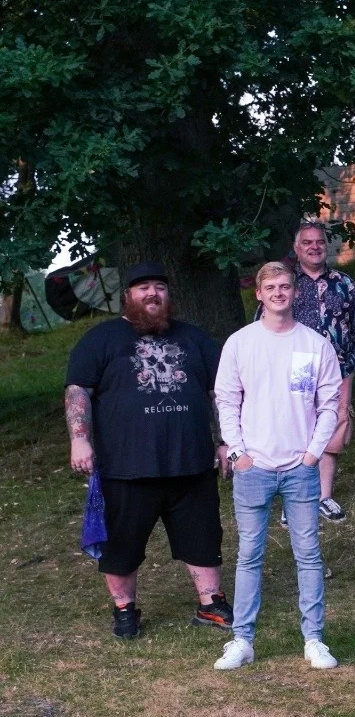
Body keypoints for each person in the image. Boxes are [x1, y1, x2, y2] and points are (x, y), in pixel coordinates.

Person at [65, 262, 232, 638]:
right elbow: (78, 390)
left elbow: (219, 392)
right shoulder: (101, 339)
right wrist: (79, 438)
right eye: (143, 288)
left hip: (190, 462)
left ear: (169, 295)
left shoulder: (194, 338)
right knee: (122, 544)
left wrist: (227, 442)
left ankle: (212, 604)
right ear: (128, 296)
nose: (152, 293)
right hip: (125, 466)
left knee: (203, 536)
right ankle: (125, 610)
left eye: (159, 287)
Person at [213, 262, 343, 671]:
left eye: (285, 286)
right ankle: (242, 640)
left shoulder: (314, 344)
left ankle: (314, 639)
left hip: (300, 468)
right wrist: (237, 455)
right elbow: (226, 401)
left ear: (295, 292)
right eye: (270, 287)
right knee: (249, 554)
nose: (278, 293)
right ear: (259, 293)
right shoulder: (240, 343)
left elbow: (329, 404)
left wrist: (312, 454)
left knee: (308, 553)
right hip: (254, 468)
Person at [269, 220, 355, 522]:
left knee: (334, 427)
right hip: (300, 368)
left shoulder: (344, 283)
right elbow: (265, 325)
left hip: (338, 370)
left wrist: (353, 366)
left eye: (319, 242)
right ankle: (296, 500)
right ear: (296, 248)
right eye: (307, 242)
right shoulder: (286, 284)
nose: (314, 247)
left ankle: (323, 497)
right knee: (297, 428)